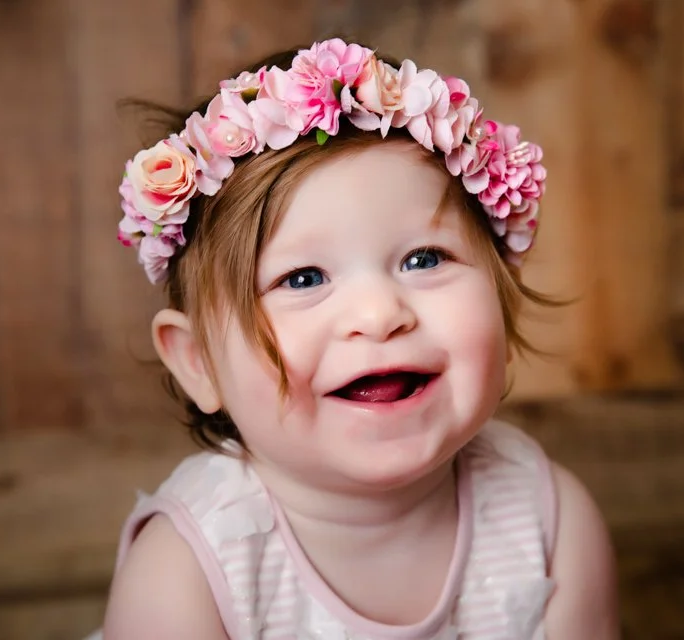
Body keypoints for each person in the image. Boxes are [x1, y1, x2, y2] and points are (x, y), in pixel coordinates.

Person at [100, 39, 619, 639]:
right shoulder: (185, 574)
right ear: (199, 364)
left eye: (425, 259)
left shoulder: (549, 518)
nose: (379, 315)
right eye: (303, 278)